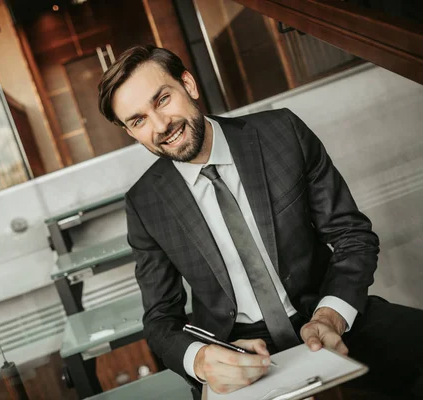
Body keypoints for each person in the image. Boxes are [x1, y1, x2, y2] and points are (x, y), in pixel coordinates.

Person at [97, 45, 423, 399]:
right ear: (131, 132)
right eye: (138, 120)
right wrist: (201, 359)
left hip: (326, 310)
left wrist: (331, 314)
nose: (161, 126)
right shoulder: (145, 203)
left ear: (188, 84)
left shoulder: (282, 132)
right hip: (236, 351)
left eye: (162, 100)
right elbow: (161, 318)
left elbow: (352, 236)